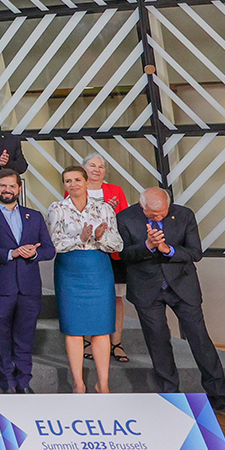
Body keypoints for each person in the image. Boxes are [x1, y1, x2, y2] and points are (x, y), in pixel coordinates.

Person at [117, 188, 225, 412]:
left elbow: (195, 253)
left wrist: (166, 249)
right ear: (142, 207)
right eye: (152, 214)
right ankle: (171, 394)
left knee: (200, 340)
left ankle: (217, 394)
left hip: (182, 286)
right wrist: (148, 246)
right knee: (158, 342)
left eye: (162, 212)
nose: (158, 217)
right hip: (146, 288)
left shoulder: (185, 214)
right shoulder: (125, 217)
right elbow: (125, 255)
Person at [48, 166, 123, 394]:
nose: (73, 184)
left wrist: (100, 238)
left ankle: (103, 383)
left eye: (77, 180)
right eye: (68, 181)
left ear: (86, 180)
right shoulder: (57, 208)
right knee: (74, 328)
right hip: (70, 270)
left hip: (98, 269)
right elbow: (55, 244)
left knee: (101, 328)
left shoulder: (103, 209)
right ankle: (78, 384)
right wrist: (79, 239)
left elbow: (117, 244)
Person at [0, 171, 55, 394]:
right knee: (1, 337)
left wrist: (33, 254)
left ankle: (24, 381)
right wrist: (11, 253)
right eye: (2, 185)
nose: (7, 190)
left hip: (29, 287)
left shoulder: (33, 216)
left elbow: (49, 250)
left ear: (19, 189)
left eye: (12, 186)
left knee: (25, 337)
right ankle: (7, 381)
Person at [78, 154, 131, 363]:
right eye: (92, 165)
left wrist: (110, 210)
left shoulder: (116, 190)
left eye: (101, 166)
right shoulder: (76, 188)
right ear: (83, 168)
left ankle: (116, 343)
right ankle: (90, 341)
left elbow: (124, 220)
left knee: (116, 298)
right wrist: (103, 209)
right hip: (88, 252)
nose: (97, 170)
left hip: (113, 252)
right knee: (91, 297)